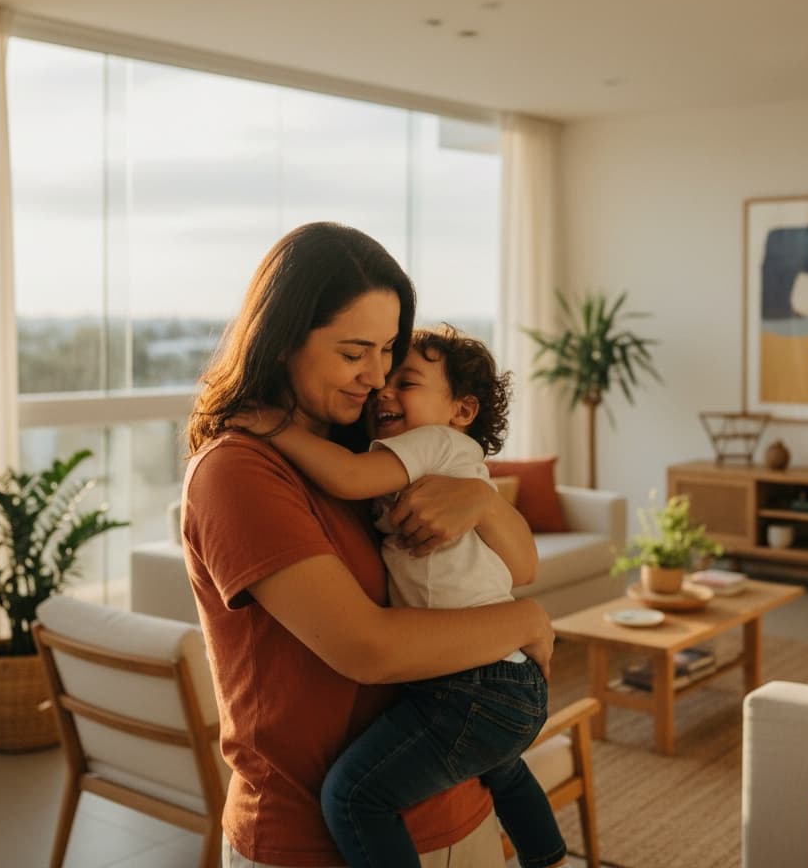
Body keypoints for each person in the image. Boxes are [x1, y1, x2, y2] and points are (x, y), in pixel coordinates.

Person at [182, 222, 556, 868]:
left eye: (388, 351)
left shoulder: (365, 450)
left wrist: (482, 500)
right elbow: (367, 647)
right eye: (355, 353)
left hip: (454, 810)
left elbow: (521, 560)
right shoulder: (239, 471)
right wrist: (525, 622)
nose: (378, 377)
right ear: (280, 342)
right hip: (312, 844)